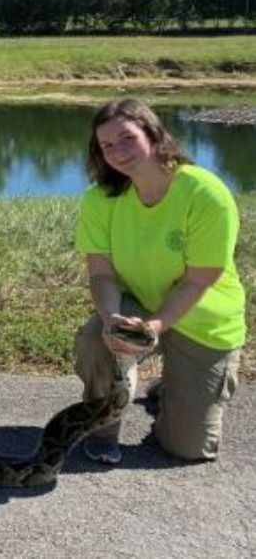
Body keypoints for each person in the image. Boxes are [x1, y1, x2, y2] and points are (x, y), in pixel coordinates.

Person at [74, 98, 245, 465]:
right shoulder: (100, 199)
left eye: (127, 138)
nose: (118, 151)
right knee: (95, 340)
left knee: (187, 449)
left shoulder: (205, 194)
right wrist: (109, 320)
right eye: (107, 145)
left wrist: (153, 327)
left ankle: (168, 391)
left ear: (153, 133)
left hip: (203, 318)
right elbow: (101, 273)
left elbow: (200, 280)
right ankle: (102, 429)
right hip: (138, 302)